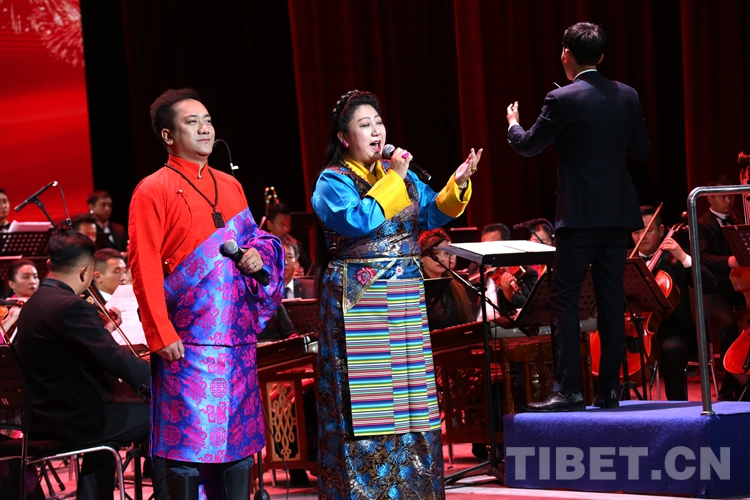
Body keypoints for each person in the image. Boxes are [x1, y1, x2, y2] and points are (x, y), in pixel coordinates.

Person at [311, 89, 481, 499]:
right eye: (364, 124)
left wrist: (457, 184)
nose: (376, 131)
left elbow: (430, 212)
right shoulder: (333, 180)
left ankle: (413, 489)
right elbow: (358, 220)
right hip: (361, 299)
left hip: (403, 297)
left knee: (410, 401)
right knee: (369, 405)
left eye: (378, 122)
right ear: (344, 138)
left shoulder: (396, 174)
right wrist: (394, 179)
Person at [128, 88, 284, 499]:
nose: (204, 128)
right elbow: (144, 265)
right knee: (186, 449)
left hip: (236, 341)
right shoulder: (152, 189)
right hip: (186, 344)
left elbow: (257, 240)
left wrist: (258, 254)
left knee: (238, 445)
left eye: (208, 120)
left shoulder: (230, 185)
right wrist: (160, 333)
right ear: (167, 136)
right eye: (192, 122)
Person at [506, 22, 651, 411]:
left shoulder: (562, 99)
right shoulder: (628, 95)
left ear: (566, 54)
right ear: (601, 56)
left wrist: (513, 124)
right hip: (618, 213)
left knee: (564, 298)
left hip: (580, 215)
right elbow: (641, 150)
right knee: (610, 300)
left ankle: (569, 390)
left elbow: (528, 145)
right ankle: (610, 391)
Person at [13, 231, 166, 500]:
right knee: (159, 415)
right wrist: (158, 379)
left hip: (43, 417)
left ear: (49, 265)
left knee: (123, 414)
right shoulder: (71, 306)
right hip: (73, 421)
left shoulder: (34, 303)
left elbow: (80, 354)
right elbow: (115, 359)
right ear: (86, 271)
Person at [632, 206, 716, 400]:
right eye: (636, 232)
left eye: (648, 231)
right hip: (634, 330)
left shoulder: (676, 256)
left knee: (671, 350)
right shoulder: (627, 259)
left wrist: (684, 258)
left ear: (661, 231)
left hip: (674, 331)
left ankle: (678, 406)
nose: (642, 237)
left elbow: (710, 285)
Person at [697, 174, 747, 400]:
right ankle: (729, 384)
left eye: (731, 196)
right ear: (709, 198)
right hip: (715, 289)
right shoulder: (702, 224)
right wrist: (728, 261)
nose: (728, 200)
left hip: (739, 286)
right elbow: (702, 258)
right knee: (728, 323)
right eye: (722, 196)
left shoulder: (736, 218)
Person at [419, 228, 475, 331]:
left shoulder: (458, 287)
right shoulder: (416, 289)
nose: (443, 259)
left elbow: (470, 323)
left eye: (446, 253)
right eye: (436, 253)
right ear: (421, 257)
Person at [265, 202, 311, 275]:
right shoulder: (262, 246)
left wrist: (297, 249)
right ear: (269, 225)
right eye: (282, 225)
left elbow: (309, 269)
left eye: (289, 225)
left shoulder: (295, 243)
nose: (286, 229)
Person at [1, 259, 39, 342]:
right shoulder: (4, 309)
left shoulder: (42, 306)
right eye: (26, 277)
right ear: (12, 284)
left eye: (35, 277)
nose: (33, 281)